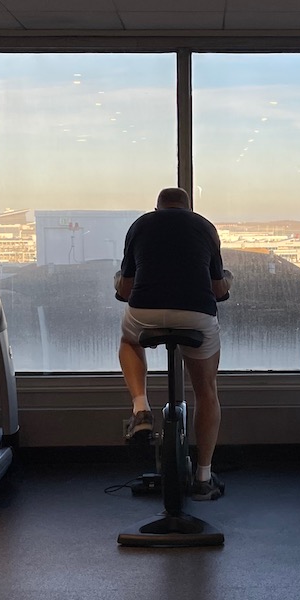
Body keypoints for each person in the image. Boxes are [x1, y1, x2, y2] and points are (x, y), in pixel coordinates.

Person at [115, 187, 232, 500]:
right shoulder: (205, 227)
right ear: (187, 207)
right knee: (206, 391)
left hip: (145, 312)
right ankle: (204, 478)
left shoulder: (140, 226)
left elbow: (126, 289)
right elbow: (219, 289)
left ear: (158, 207)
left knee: (129, 341)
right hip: (197, 316)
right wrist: (227, 281)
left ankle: (140, 407)